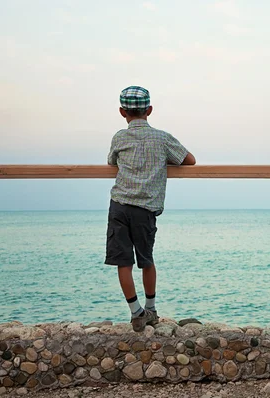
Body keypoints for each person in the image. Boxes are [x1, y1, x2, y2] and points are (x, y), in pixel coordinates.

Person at [105, 86, 196, 332]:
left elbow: (111, 162)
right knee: (146, 260)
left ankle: (136, 313)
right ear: (150, 110)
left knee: (123, 262)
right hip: (144, 210)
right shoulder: (162, 138)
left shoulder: (119, 138)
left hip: (120, 206)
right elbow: (190, 161)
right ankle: (152, 309)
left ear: (122, 112)